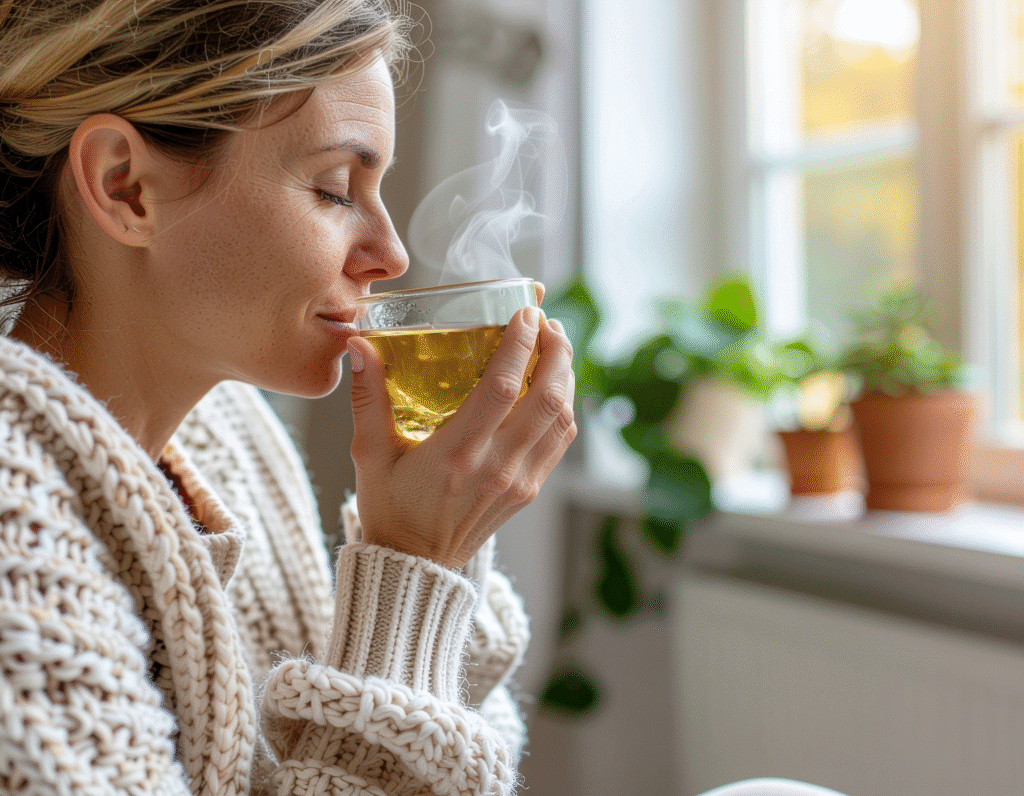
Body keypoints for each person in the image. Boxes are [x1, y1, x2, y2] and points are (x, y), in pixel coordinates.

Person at [0, 1, 577, 794]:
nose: (391, 254)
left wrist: (440, 544)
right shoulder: (16, 524)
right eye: (337, 189)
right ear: (125, 186)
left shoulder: (227, 437)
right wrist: (413, 565)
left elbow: (458, 735)